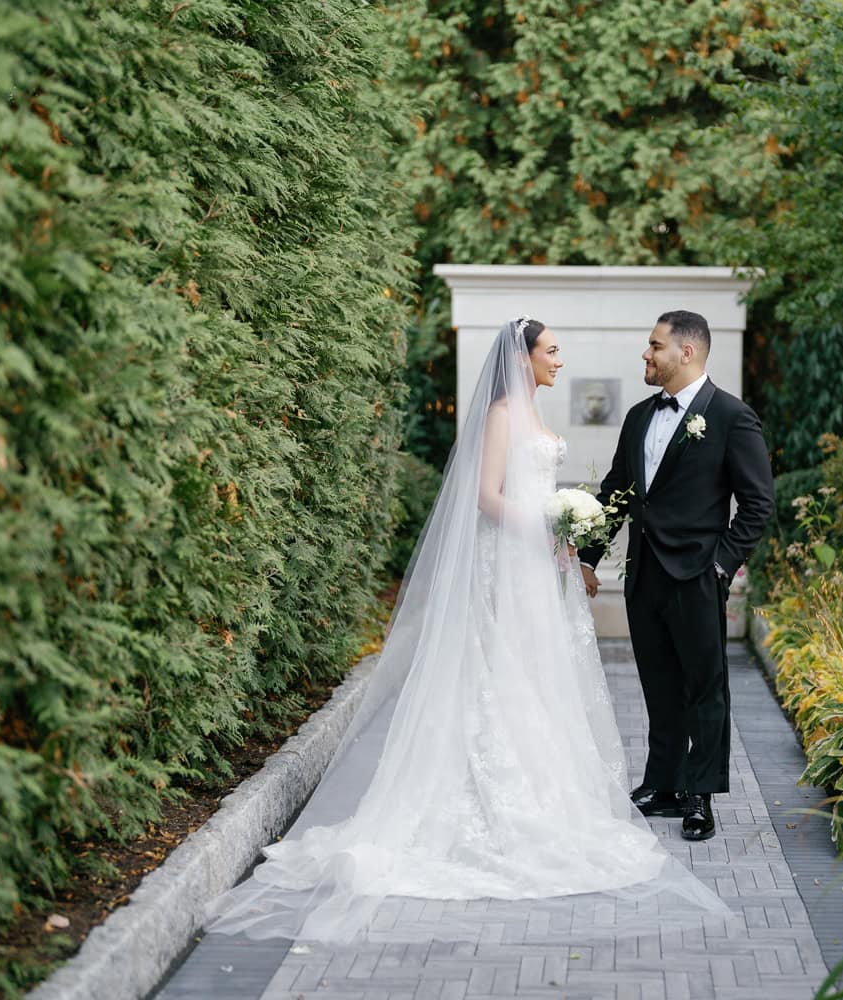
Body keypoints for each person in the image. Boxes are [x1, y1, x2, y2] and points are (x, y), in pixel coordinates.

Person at [204, 317, 725, 945]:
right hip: (508, 561)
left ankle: (556, 794)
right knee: (502, 672)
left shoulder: (537, 411)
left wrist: (569, 539)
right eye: (552, 351)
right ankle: (493, 799)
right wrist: (548, 525)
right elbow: (485, 495)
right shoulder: (505, 414)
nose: (560, 360)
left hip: (540, 567)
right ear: (524, 357)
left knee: (537, 676)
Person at [578, 310, 773, 842]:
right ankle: (662, 784)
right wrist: (588, 557)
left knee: (703, 690)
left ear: (686, 352)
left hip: (696, 576)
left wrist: (719, 565)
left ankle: (699, 794)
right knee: (658, 686)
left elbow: (758, 504)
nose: (647, 353)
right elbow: (617, 492)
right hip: (644, 577)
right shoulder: (640, 416)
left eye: (655, 345)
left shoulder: (732, 417)